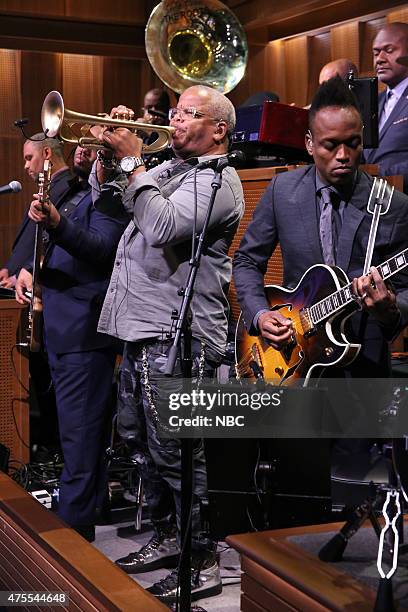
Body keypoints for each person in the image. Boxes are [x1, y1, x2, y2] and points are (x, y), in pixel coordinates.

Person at [90, 84, 244, 603]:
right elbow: (107, 197)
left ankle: (201, 559)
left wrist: (134, 158)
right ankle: (166, 535)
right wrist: (109, 153)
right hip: (141, 326)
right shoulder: (169, 169)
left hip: (182, 335)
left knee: (179, 453)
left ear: (219, 128)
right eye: (173, 113)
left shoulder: (219, 181)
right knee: (137, 438)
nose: (173, 121)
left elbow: (160, 225)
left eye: (185, 114)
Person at [233, 75, 408, 412]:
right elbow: (246, 261)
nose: (343, 155)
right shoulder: (281, 191)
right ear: (310, 143)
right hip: (293, 363)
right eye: (331, 145)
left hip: (363, 372)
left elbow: (404, 291)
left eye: (353, 143)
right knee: (297, 465)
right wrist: (259, 315)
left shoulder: (393, 205)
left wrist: (388, 308)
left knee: (357, 466)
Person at [15, 144, 129, 543]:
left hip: (85, 326)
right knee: (79, 430)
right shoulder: (78, 192)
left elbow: (102, 250)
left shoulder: (112, 196)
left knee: (79, 431)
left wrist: (58, 223)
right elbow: (61, 252)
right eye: (81, 144)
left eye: (93, 146)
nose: (83, 151)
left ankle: (72, 527)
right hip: (66, 323)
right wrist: (31, 271)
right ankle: (91, 505)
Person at [0, 135, 72, 288]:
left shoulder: (67, 188)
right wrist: (10, 268)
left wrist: (19, 275)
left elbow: (51, 242)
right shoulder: (50, 189)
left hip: (37, 286)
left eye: (29, 158)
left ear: (46, 153)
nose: (26, 166)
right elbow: (29, 238)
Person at [364, 22, 408, 192]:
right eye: (376, 53)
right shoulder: (372, 102)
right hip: (371, 205)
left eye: (389, 51)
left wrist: (379, 177)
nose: (380, 59)